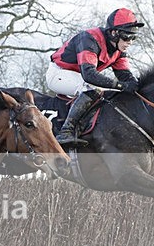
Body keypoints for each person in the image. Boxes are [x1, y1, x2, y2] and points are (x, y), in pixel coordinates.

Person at [46, 8, 144, 146]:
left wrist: (138, 87)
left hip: (79, 77)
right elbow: (89, 75)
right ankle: (65, 132)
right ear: (114, 33)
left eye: (134, 38)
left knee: (107, 92)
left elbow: (125, 76)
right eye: (127, 37)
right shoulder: (89, 39)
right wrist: (121, 86)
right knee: (92, 89)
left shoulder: (119, 50)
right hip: (59, 74)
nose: (130, 42)